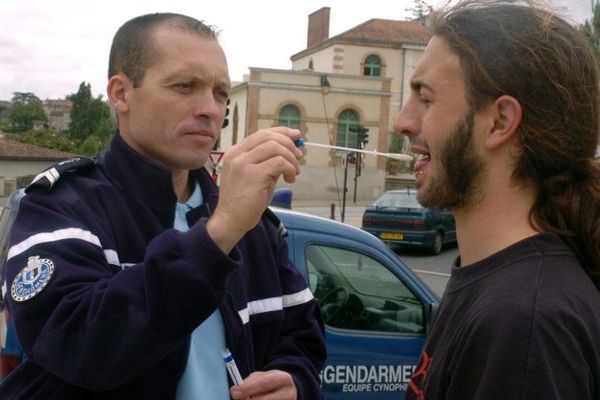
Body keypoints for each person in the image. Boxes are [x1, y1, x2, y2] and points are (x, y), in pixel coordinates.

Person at [0, 13, 326, 400]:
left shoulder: (252, 222)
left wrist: (295, 381)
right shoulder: (61, 207)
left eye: (221, 93)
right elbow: (80, 346)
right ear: (121, 93)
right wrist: (217, 235)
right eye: (185, 86)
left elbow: (303, 337)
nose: (211, 109)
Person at [393, 1, 600, 399]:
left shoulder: (525, 323)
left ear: (501, 121)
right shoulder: (498, 287)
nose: (403, 121)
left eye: (426, 97)